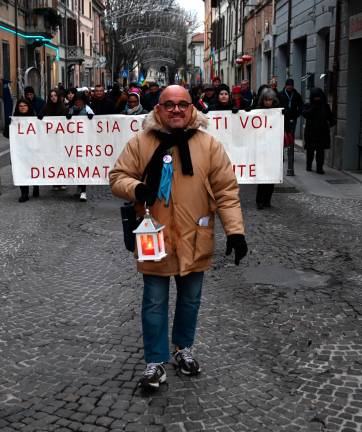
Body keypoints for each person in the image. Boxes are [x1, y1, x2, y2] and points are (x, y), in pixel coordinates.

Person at [109, 85, 248, 391]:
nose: (175, 110)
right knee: (154, 302)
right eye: (169, 105)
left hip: (194, 236)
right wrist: (137, 189)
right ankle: (155, 362)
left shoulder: (208, 145)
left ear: (191, 108)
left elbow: (227, 191)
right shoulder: (141, 142)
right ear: (158, 109)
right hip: (154, 237)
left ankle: (183, 349)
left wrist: (235, 232)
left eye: (182, 105)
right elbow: (117, 177)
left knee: (190, 300)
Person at [254, 88, 280, 209]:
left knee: (272, 175)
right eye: (266, 100)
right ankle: (260, 200)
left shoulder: (278, 112)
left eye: (270, 100)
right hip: (261, 147)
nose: (268, 102)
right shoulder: (258, 112)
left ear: (273, 100)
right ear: (262, 100)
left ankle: (267, 200)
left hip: (273, 147)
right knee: (262, 175)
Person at [9, 99, 39, 202]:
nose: (22, 107)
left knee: (34, 168)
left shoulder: (34, 118)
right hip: (20, 150)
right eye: (20, 106)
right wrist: (9, 127)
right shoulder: (14, 120)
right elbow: (6, 133)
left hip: (32, 149)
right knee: (21, 169)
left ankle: (36, 186)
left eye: (24, 105)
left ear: (28, 106)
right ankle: (24, 193)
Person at [302, 88, 336, 174]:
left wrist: (329, 124)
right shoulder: (308, 105)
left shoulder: (325, 106)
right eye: (315, 97)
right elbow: (305, 114)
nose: (317, 99)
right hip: (311, 132)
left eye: (318, 97)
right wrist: (313, 107)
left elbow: (331, 119)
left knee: (320, 152)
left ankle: (319, 168)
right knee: (310, 151)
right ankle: (308, 165)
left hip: (322, 133)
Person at [68, 92, 94, 201]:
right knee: (75, 166)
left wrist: (91, 118)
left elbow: (94, 122)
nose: (78, 102)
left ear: (84, 101)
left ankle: (83, 191)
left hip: (84, 142)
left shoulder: (88, 109)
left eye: (80, 101)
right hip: (73, 142)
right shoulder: (71, 109)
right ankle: (79, 188)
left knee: (82, 166)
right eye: (76, 101)